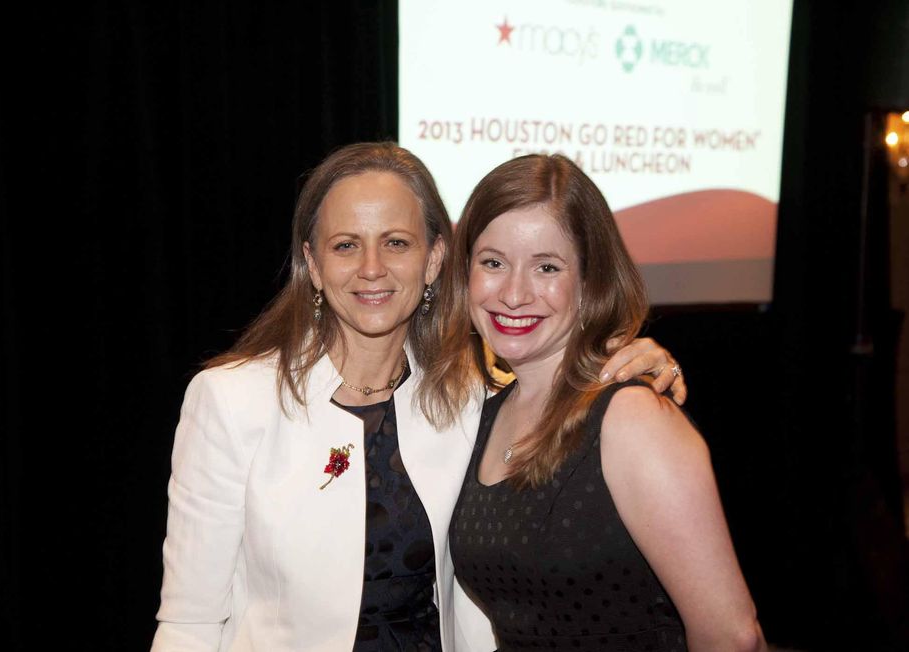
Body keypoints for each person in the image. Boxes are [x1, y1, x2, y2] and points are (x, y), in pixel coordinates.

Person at [151, 143, 685, 651]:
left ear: (433, 259)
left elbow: (560, 379)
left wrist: (630, 360)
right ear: (313, 264)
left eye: (396, 243)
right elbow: (189, 622)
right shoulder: (231, 400)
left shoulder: (473, 397)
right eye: (345, 245)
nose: (371, 268)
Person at [443, 154, 765, 651]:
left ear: (590, 281)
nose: (513, 293)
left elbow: (733, 637)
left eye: (546, 267)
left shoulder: (632, 418)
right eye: (493, 263)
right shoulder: (482, 416)